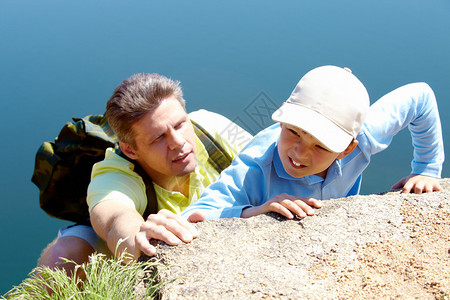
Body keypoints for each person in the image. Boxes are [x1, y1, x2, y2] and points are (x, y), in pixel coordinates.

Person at [38, 73, 252, 276]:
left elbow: (266, 156)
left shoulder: (211, 127)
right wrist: (139, 236)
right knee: (63, 255)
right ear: (130, 149)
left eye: (180, 124)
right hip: (113, 252)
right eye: (159, 137)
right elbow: (115, 219)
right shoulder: (113, 174)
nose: (178, 142)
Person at [182, 65, 444, 221]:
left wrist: (427, 168)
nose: (300, 152)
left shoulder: (363, 137)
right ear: (282, 116)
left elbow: (420, 97)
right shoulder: (256, 166)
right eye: (294, 132)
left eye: (321, 146)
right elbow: (196, 215)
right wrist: (255, 211)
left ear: (347, 148)